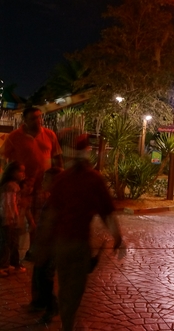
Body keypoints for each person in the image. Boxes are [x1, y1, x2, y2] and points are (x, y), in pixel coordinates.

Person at [47, 134, 123, 330]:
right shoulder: (93, 179)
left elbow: (51, 213)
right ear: (88, 154)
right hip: (79, 243)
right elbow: (107, 212)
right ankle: (68, 323)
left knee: (64, 284)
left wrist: (43, 243)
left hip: (61, 242)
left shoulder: (62, 179)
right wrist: (117, 237)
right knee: (76, 287)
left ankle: (67, 319)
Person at [1, 107, 63, 257]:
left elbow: (57, 158)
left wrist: (60, 176)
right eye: (33, 118)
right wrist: (9, 176)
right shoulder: (15, 137)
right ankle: (10, 256)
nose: (38, 121)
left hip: (44, 186)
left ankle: (34, 251)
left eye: (39, 117)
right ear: (25, 120)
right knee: (18, 222)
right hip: (22, 188)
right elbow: (3, 157)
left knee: (40, 219)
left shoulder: (49, 135)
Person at [28, 167, 63, 323]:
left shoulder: (58, 201)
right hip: (45, 246)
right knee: (40, 276)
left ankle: (52, 306)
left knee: (44, 278)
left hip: (51, 248)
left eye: (46, 179)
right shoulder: (51, 198)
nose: (43, 182)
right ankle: (43, 303)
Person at [0, 161, 27, 276]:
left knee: (10, 242)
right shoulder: (11, 186)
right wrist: (12, 218)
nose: (22, 174)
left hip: (9, 219)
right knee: (7, 242)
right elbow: (9, 204)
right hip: (8, 219)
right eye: (20, 171)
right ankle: (3, 265)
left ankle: (10, 264)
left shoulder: (11, 185)